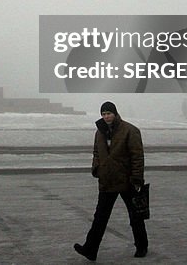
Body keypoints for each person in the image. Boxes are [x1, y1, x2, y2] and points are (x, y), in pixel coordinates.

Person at [74, 101, 147, 260]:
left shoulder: (130, 130)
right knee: (99, 218)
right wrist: (97, 168)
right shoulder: (99, 132)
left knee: (135, 216)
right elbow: (96, 152)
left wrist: (137, 178)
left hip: (127, 181)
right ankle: (90, 249)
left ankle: (141, 246)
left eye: (109, 113)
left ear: (115, 113)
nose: (106, 116)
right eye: (103, 114)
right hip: (107, 181)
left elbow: (137, 156)